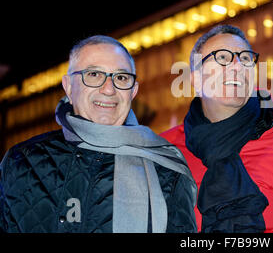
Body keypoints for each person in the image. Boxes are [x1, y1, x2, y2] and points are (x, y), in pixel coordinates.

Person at [0, 35, 197, 233]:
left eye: (121, 78)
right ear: (68, 86)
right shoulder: (22, 162)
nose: (109, 89)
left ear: (133, 91)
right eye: (94, 74)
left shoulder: (165, 168)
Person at [161, 24, 273, 233]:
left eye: (245, 59)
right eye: (222, 57)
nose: (237, 66)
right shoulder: (164, 152)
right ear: (196, 80)